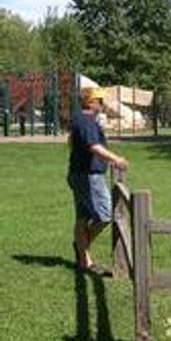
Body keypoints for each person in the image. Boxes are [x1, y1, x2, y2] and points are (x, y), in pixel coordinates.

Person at [67, 87, 129, 274]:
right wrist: (115, 159)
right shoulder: (86, 121)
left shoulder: (80, 118)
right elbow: (94, 146)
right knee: (104, 215)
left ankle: (84, 260)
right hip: (89, 177)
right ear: (89, 102)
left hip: (78, 174)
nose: (102, 104)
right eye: (99, 101)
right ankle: (81, 248)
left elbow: (73, 142)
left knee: (83, 217)